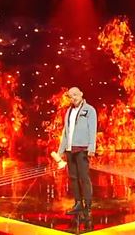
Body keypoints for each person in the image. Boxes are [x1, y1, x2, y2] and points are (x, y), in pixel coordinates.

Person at [57, 86, 97, 218]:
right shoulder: (68, 111)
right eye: (70, 96)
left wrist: (91, 147)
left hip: (82, 148)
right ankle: (78, 203)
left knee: (84, 177)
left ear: (81, 94)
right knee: (73, 178)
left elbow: (93, 129)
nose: (73, 98)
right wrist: (61, 150)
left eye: (75, 94)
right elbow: (65, 132)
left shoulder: (89, 110)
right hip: (70, 149)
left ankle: (88, 205)